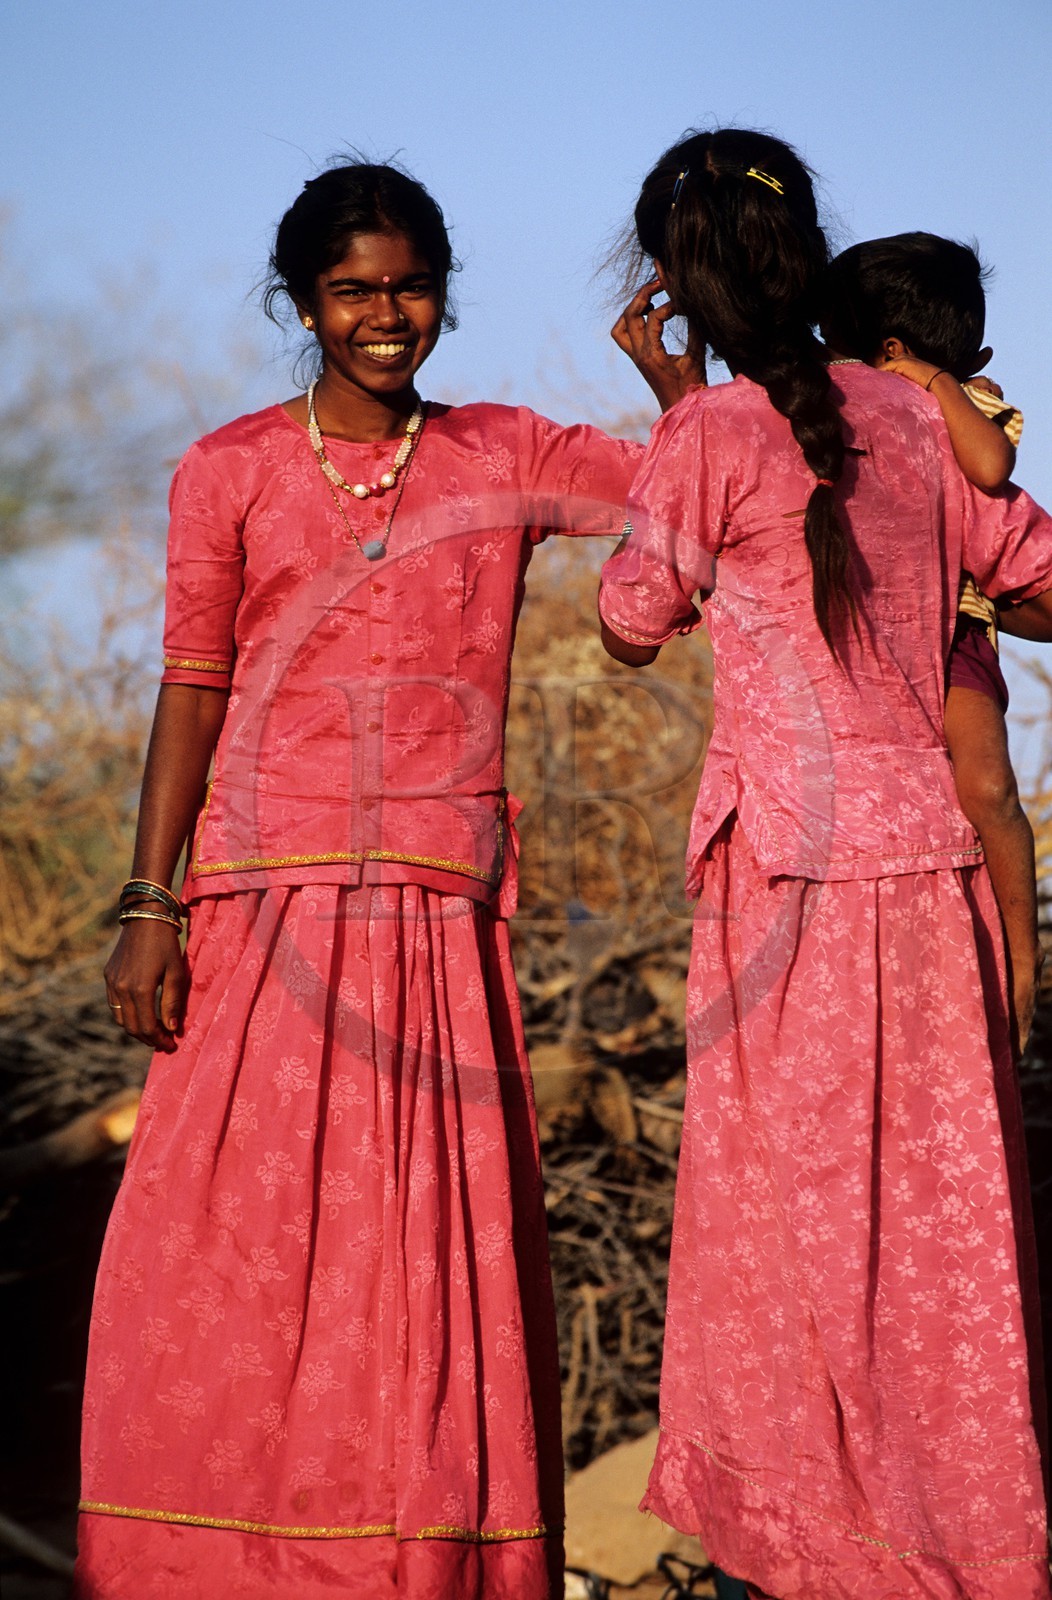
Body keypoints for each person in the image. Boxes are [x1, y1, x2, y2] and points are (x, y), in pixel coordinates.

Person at [74, 160, 672, 1600]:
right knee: (232, 1249)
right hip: (259, 900)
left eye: (409, 286)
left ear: (443, 294)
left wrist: (672, 381)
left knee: (418, 1264)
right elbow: (192, 683)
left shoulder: (504, 451)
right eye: (353, 290)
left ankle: (415, 1558)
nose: (385, 314)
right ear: (303, 303)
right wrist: (148, 902)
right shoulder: (225, 468)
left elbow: (696, 494)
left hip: (432, 913)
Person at [600, 128, 1052, 1600]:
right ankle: (965, 1547)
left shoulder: (711, 439)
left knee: (791, 1246)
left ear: (677, 283)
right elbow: (1039, 581)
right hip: (929, 883)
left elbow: (628, 618)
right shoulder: (923, 421)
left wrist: (678, 415)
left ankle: (807, 1557)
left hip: (785, 890)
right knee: (945, 1248)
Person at [823, 232, 1041, 1052]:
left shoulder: (956, 400)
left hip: (953, 627)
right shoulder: (826, 405)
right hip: (869, 632)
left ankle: (1022, 959)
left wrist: (938, 384)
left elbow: (988, 468)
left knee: (986, 788)